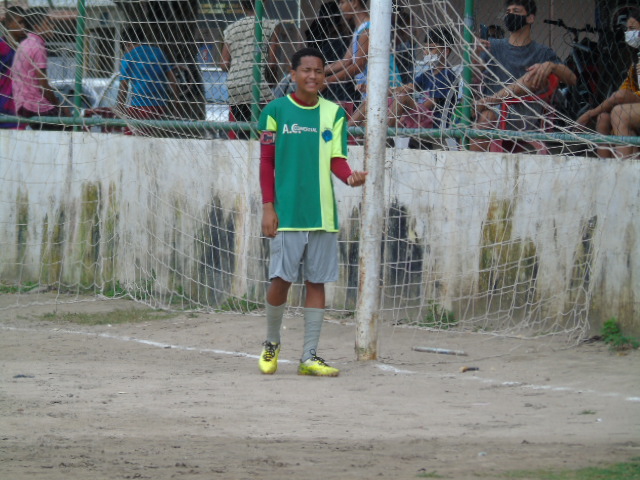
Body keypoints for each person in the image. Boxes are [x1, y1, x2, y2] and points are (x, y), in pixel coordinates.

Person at [257, 47, 367, 377]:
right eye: (306, 70)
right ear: (293, 75)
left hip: (323, 214)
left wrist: (350, 177)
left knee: (316, 282)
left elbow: (337, 158)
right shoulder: (275, 110)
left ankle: (309, 356)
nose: (313, 76)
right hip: (287, 213)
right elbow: (266, 162)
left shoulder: (334, 113)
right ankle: (272, 342)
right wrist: (268, 207)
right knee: (281, 279)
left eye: (318, 71)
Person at [470, 0, 577, 151]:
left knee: (534, 73)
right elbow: (471, 76)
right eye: (508, 12)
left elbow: (572, 79)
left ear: (530, 18)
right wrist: (473, 55)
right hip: (489, 112)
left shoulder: (542, 52)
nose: (510, 15)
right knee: (487, 116)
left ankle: (488, 101)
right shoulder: (492, 46)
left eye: (516, 11)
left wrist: (552, 66)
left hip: (522, 115)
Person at [576, 8, 640, 158]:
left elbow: (620, 96)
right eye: (627, 30)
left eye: (632, 29)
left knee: (619, 112)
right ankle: (607, 167)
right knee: (603, 118)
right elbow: (622, 93)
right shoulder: (635, 61)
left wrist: (590, 113)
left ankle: (623, 167)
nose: (628, 33)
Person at [221, 0, 281, 138]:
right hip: (260, 84)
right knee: (266, 129)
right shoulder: (271, 25)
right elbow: (272, 62)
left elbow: (223, 64)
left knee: (242, 130)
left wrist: (240, 67)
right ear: (263, 3)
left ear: (242, 5)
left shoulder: (231, 29)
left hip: (236, 84)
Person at [11, 7, 70, 130]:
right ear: (37, 27)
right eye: (48, 23)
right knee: (70, 126)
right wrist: (59, 105)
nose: (53, 26)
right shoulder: (38, 47)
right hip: (36, 106)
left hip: (22, 105)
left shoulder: (24, 44)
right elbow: (43, 85)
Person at [390, 27, 459, 130]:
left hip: (434, 122)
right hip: (420, 115)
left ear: (445, 52)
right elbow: (408, 88)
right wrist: (386, 92)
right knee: (378, 102)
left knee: (402, 99)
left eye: (431, 49)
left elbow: (430, 104)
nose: (426, 52)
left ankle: (382, 132)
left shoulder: (447, 75)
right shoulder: (428, 74)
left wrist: (406, 112)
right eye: (425, 48)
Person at [116, 26, 178, 136]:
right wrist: (175, 103)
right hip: (160, 106)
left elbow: (124, 87)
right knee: (153, 135)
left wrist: (120, 108)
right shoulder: (158, 52)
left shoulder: (129, 57)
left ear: (127, 43)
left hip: (139, 106)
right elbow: (173, 80)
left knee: (131, 137)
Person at [304, 0, 355, 102]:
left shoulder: (330, 45)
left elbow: (347, 62)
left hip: (335, 93)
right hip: (345, 93)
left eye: (342, 3)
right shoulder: (338, 43)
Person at [0, 6, 26, 129]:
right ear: (9, 24)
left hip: (21, 105)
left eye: (25, 23)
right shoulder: (2, 46)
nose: (23, 27)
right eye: (20, 22)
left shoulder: (26, 47)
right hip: (4, 103)